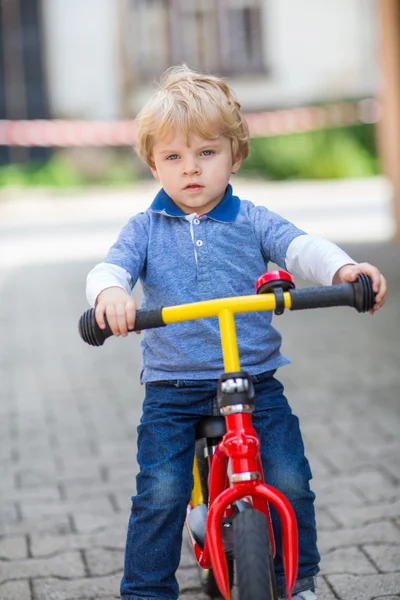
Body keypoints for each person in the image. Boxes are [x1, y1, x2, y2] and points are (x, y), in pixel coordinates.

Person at [86, 65, 387, 600]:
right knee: (160, 491)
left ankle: (295, 582)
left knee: (290, 479)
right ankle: (146, 590)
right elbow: (110, 269)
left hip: (253, 381)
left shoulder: (251, 219)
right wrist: (110, 295)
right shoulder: (145, 229)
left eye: (207, 153)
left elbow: (301, 247)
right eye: (174, 157)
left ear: (235, 155)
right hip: (172, 389)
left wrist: (343, 272)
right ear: (153, 164)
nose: (191, 169)